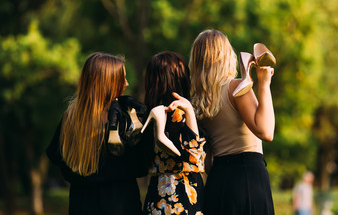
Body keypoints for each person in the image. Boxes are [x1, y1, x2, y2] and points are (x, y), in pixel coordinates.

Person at [46, 52, 151, 215]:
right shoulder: (124, 117)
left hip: (82, 205)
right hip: (121, 205)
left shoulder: (71, 118)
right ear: (108, 83)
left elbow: (57, 158)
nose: (127, 84)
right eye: (122, 79)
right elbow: (142, 165)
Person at [189, 29, 275, 215]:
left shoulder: (197, 102)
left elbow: (208, 161)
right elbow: (266, 131)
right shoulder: (235, 87)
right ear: (226, 55)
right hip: (248, 179)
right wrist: (264, 83)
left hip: (218, 181)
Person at [141, 51, 206, 215]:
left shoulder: (149, 114)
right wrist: (190, 112)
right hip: (182, 196)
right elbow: (194, 157)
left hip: (157, 195)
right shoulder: (178, 114)